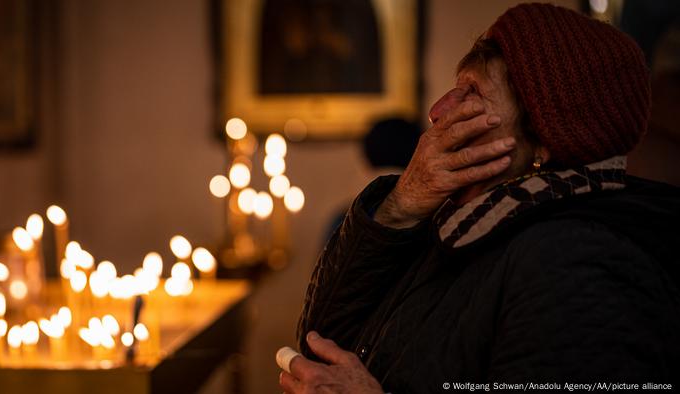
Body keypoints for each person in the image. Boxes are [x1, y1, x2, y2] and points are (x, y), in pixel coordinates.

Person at [281, 3, 680, 393]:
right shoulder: (463, 223)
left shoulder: (579, 262)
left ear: (547, 138)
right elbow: (323, 339)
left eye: (471, 92)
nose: (438, 112)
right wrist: (399, 206)